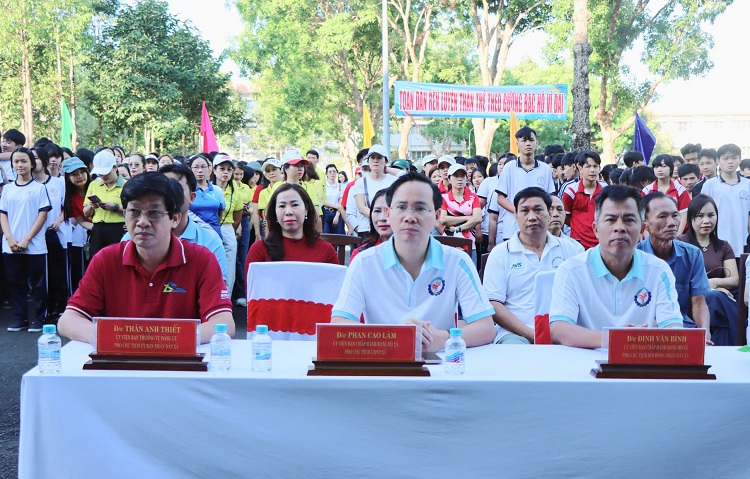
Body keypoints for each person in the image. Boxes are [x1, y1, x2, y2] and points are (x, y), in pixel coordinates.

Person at [59, 172, 234, 343]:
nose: (142, 222)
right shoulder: (106, 260)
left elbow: (224, 323)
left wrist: (160, 341)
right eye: (134, 212)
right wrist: (119, 338)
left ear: (175, 218)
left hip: (179, 358)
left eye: (154, 213)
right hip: (122, 356)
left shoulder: (201, 259)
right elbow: (68, 320)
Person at [331, 172, 495, 352]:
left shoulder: (457, 261)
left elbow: (486, 328)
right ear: (389, 213)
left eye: (420, 208)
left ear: (437, 216)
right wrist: (393, 336)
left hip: (440, 362)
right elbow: (339, 324)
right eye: (401, 207)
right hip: (383, 361)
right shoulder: (364, 263)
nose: (409, 217)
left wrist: (443, 338)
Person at [549, 185, 683, 349]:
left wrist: (643, 339)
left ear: (642, 229)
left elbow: (673, 327)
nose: (619, 228)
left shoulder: (658, 271)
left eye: (629, 220)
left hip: (641, 359)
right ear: (596, 229)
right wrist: (618, 339)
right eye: (611, 220)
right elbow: (559, 329)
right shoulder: (571, 271)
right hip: (584, 360)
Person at [484, 187, 583, 344]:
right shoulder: (500, 253)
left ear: (549, 213)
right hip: (515, 333)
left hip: (562, 332)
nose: (531, 217)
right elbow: (493, 303)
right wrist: (531, 333)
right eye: (524, 211)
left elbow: (582, 294)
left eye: (538, 210)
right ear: (516, 215)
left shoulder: (571, 250)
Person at [121, 162, 228, 283]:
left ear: (192, 197)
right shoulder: (132, 238)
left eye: (176, 189)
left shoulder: (210, 242)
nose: (169, 195)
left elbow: (216, 288)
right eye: (162, 190)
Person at [636, 192, 711, 343]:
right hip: (643, 333)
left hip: (682, 330)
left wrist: (704, 334)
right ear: (645, 223)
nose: (671, 223)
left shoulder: (692, 255)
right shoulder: (634, 257)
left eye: (675, 215)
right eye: (662, 216)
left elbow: (699, 302)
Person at [0, 147, 52, 332]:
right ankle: (20, 318)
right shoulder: (7, 189)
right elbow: (3, 214)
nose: (19, 165)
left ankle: (40, 319)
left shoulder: (39, 188)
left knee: (38, 284)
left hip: (35, 245)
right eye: (16, 161)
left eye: (23, 161)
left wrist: (26, 240)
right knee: (16, 283)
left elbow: (42, 216)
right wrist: (9, 237)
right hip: (11, 245)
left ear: (31, 164)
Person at [678, 194, 739, 345]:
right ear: (691, 218)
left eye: (711, 215)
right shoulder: (681, 244)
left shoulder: (723, 246)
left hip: (716, 305)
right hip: (689, 302)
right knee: (716, 299)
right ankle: (738, 340)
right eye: (700, 216)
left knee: (717, 304)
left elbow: (734, 279)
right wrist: (710, 289)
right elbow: (680, 280)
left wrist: (715, 283)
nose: (706, 221)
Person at [245, 183, 338, 265]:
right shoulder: (259, 250)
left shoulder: (326, 250)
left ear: (306, 209)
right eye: (282, 206)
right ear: (274, 212)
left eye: (295, 205)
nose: (288, 212)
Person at [495, 127, 554, 241]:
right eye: (524, 140)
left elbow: (550, 197)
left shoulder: (545, 169)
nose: (528, 143)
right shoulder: (509, 167)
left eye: (531, 140)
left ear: (536, 143)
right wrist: (519, 211)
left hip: (538, 228)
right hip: (512, 229)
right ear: (517, 144)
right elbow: (500, 198)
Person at [32, 146, 68, 320]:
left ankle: (59, 308)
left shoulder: (59, 183)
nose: (34, 162)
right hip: (33, 236)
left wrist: (59, 220)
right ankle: (42, 311)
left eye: (37, 158)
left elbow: (67, 207)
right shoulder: (28, 184)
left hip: (54, 234)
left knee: (56, 273)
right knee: (38, 276)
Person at [700, 143, 750, 258]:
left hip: (743, 242)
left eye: (734, 158)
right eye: (725, 158)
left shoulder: (747, 184)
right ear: (718, 161)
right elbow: (702, 213)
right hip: (717, 242)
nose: (730, 162)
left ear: (740, 159)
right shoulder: (710, 185)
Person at [84, 151, 126, 258]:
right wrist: (92, 206)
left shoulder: (126, 185)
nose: (103, 176)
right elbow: (86, 213)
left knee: (116, 260)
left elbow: (134, 211)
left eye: (106, 173)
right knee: (96, 261)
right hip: (97, 229)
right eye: (100, 174)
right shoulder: (94, 185)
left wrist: (115, 207)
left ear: (115, 167)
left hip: (118, 229)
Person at [562, 151, 607, 249]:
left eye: (595, 166)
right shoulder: (571, 192)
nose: (592, 170)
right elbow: (566, 217)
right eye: (588, 167)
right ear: (580, 168)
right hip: (578, 245)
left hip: (601, 242)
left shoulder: (605, 191)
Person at [351, 145, 398, 238]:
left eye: (379, 157)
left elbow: (407, 177)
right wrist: (380, 219)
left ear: (386, 161)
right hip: (367, 229)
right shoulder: (360, 182)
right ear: (368, 161)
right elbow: (361, 208)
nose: (375, 161)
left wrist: (387, 169)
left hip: (389, 228)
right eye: (372, 158)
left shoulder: (394, 181)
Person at [213, 154, 243, 294]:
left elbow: (238, 212)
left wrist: (232, 229)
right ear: (214, 170)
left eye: (229, 169)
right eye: (222, 168)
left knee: (230, 265)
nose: (226, 172)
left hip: (227, 228)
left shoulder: (234, 189)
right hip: (210, 229)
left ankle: (227, 297)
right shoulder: (208, 188)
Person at [440, 164, 482, 261]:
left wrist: (457, 228)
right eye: (455, 176)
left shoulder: (473, 197)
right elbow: (443, 219)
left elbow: (478, 218)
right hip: (448, 243)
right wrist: (468, 217)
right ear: (449, 179)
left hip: (469, 244)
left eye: (462, 176)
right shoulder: (443, 198)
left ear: (466, 178)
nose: (459, 179)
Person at [62, 158, 91, 295]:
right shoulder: (71, 198)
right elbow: (81, 221)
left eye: (82, 172)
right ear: (68, 178)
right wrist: (96, 228)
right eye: (74, 174)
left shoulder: (96, 186)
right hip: (92, 231)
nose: (80, 176)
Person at [640, 154, 689, 233]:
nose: (659, 170)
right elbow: (644, 218)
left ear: (671, 169)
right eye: (656, 167)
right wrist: (648, 238)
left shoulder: (680, 190)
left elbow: (683, 217)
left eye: (663, 166)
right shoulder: (646, 191)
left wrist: (677, 237)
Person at [350, 189, 392, 262]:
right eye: (377, 211)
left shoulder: (412, 252)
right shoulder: (361, 255)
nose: (382, 218)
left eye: (389, 211)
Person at [188, 153, 224, 238]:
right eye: (196, 167)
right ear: (190, 169)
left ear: (209, 169)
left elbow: (220, 214)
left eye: (203, 167)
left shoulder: (217, 190)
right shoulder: (186, 191)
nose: (200, 170)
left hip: (214, 235)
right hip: (194, 235)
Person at [255, 158, 284, 240]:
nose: (271, 173)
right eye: (268, 171)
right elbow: (266, 218)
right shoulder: (263, 193)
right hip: (272, 230)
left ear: (281, 170)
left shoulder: (288, 187)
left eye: (274, 169)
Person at [322, 164, 347, 234]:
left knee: (338, 237)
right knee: (325, 236)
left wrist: (337, 215)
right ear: (326, 174)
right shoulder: (323, 186)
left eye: (334, 171)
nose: (332, 173)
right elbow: (323, 201)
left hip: (337, 213)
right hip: (325, 213)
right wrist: (336, 206)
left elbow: (341, 202)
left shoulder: (340, 186)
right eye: (330, 172)